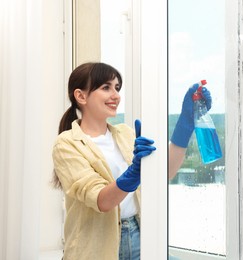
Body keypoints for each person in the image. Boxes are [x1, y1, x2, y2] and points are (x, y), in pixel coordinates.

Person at [52, 62, 212, 259]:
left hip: (139, 235)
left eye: (117, 88)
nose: (116, 95)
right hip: (95, 245)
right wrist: (134, 174)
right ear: (81, 96)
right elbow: (102, 201)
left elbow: (166, 172)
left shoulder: (126, 134)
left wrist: (186, 122)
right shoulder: (67, 144)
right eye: (106, 87)